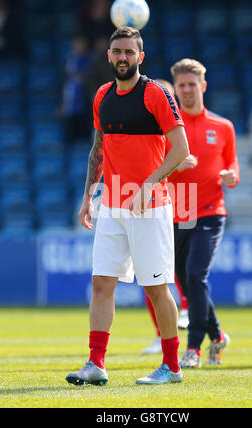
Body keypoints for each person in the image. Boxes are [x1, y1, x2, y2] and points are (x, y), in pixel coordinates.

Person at [66, 27, 192, 386]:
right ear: (109, 56)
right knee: (102, 284)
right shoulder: (102, 95)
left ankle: (172, 366)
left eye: (129, 52)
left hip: (150, 207)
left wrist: (149, 184)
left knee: (156, 288)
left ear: (141, 57)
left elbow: (181, 150)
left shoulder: (156, 94)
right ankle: (95, 364)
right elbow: (98, 149)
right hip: (112, 207)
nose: (123, 57)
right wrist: (88, 195)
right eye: (117, 51)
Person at [154, 59, 239, 368]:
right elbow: (155, 173)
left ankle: (193, 349)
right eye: (181, 86)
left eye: (192, 84)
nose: (187, 90)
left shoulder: (223, 127)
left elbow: (232, 164)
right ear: (174, 90)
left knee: (195, 275)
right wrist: (176, 165)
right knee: (188, 283)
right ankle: (218, 337)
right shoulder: (167, 131)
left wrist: (231, 176)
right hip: (175, 214)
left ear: (203, 86)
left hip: (210, 212)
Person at [142, 78, 189, 356]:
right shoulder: (147, 130)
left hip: (182, 207)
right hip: (153, 207)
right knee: (150, 277)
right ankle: (161, 335)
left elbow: (192, 159)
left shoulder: (181, 129)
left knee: (182, 269)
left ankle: (190, 316)